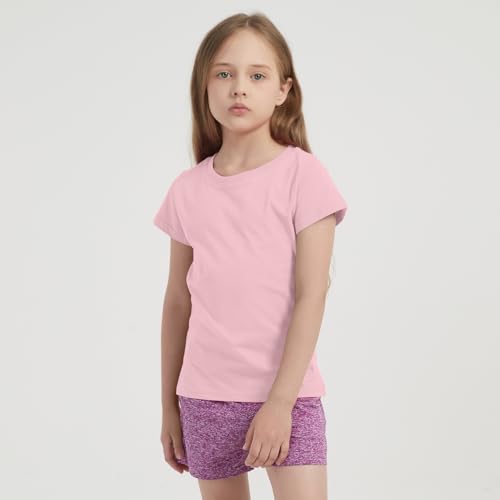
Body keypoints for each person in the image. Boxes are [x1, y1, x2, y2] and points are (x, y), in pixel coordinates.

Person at [153, 12, 348, 500]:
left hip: (290, 397)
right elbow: (178, 301)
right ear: (204, 86)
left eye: (257, 75)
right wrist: (169, 407)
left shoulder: (304, 176)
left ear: (283, 90)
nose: (239, 87)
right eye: (224, 73)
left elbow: (312, 293)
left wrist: (280, 403)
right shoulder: (187, 189)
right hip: (204, 398)